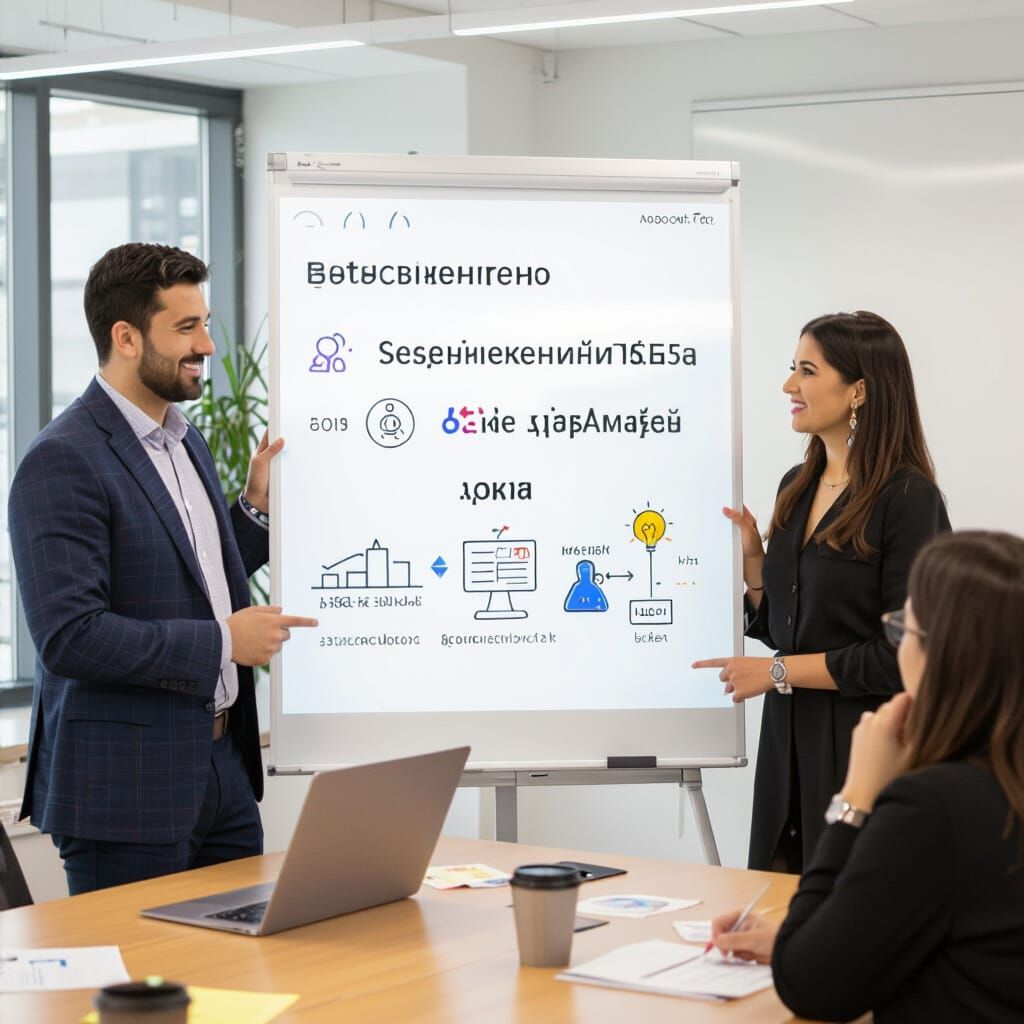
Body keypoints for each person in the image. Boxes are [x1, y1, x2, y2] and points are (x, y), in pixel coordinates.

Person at [9, 243, 317, 895]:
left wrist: (254, 510)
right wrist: (224, 643)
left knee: (239, 986)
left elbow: (191, 578)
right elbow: (70, 636)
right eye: (186, 327)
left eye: (203, 323)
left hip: (222, 774)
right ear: (125, 337)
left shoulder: (185, 439)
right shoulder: (61, 459)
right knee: (139, 993)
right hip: (125, 792)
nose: (207, 344)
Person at [710, 531, 1024, 1023]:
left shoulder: (933, 808)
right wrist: (797, 944)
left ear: (943, 658)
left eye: (903, 632)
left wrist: (855, 796)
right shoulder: (1000, 788)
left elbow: (811, 986)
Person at [694, 311, 949, 871]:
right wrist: (758, 570)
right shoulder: (797, 484)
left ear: (858, 390)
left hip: (865, 747)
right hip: (787, 743)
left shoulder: (908, 499)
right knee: (778, 912)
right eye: (793, 369)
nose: (790, 386)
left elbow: (904, 659)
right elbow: (787, 628)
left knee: (845, 920)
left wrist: (778, 672)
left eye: (807, 370)